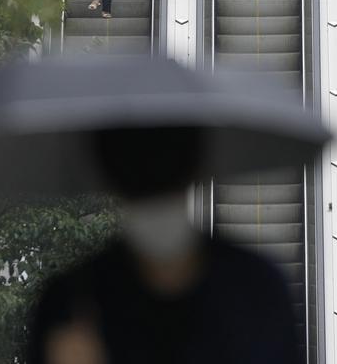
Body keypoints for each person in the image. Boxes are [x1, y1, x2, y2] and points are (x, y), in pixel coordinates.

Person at [28, 127, 300, 364]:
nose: (153, 182)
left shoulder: (255, 289)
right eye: (136, 172)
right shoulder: (73, 301)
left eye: (169, 166)